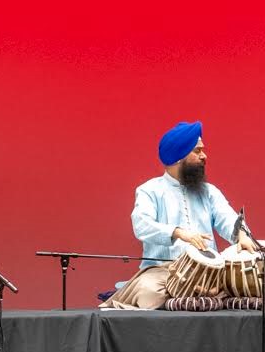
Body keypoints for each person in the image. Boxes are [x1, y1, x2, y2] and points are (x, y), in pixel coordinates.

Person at [103, 121, 253, 309]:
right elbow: (141, 224)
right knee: (149, 293)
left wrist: (242, 235)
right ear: (178, 158)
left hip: (209, 273)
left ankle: (195, 296)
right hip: (163, 272)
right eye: (197, 151)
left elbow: (227, 217)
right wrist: (178, 232)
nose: (204, 156)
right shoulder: (150, 190)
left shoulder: (209, 191)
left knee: (245, 287)